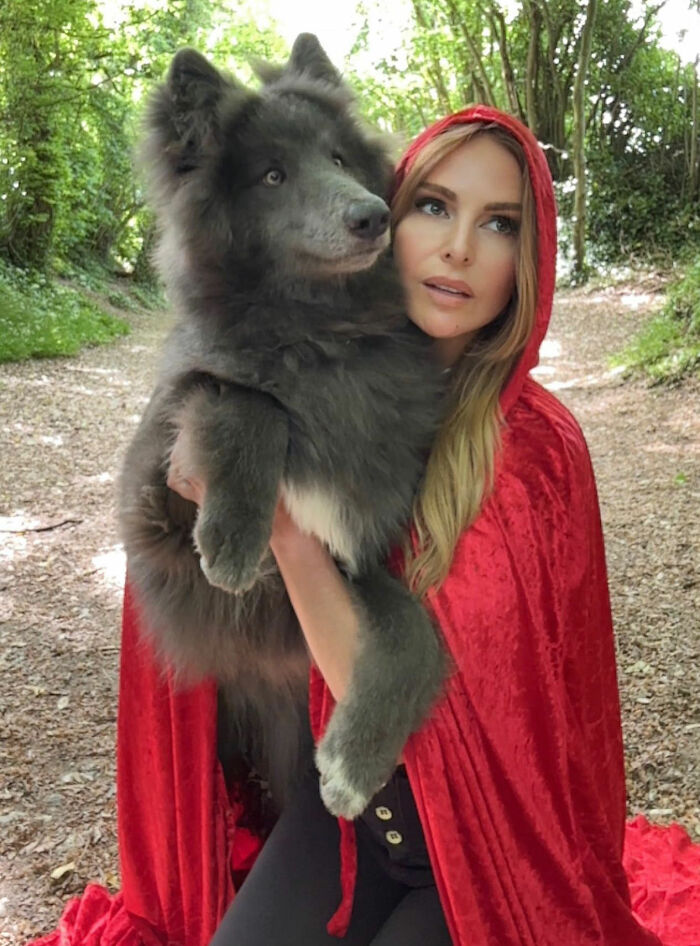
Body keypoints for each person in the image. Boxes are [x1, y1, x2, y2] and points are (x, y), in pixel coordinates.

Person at [32, 108, 700, 946]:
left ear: (525, 263)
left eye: (498, 224)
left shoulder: (532, 453)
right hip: (339, 824)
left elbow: (402, 700)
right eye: (434, 206)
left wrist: (284, 530)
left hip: (475, 850)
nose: (459, 247)